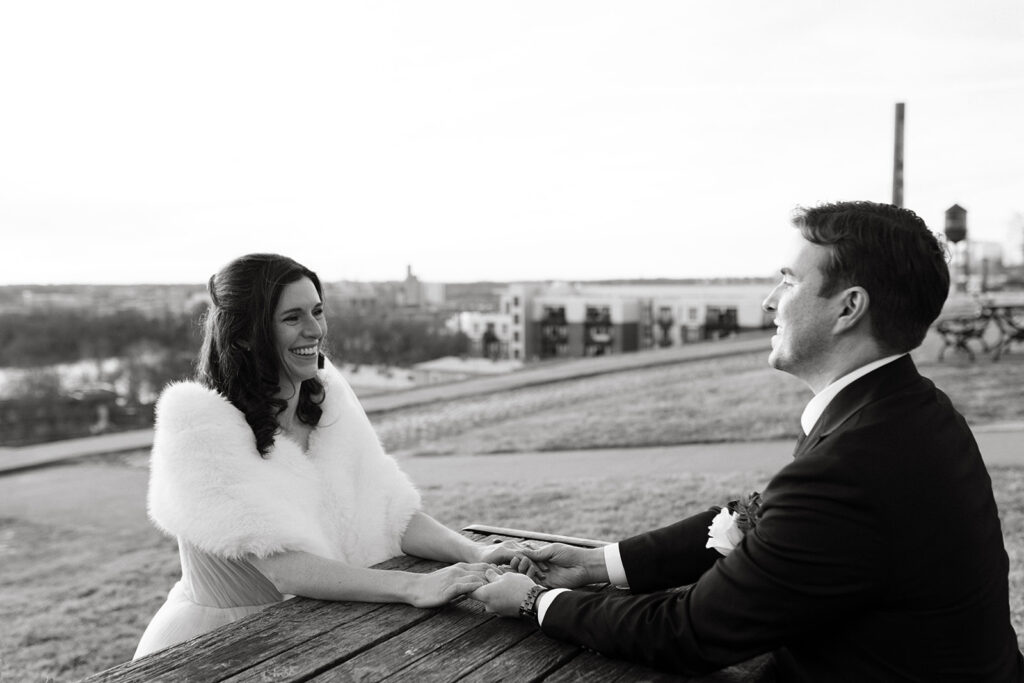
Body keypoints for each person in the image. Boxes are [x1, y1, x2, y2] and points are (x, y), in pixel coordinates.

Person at [472, 201, 1024, 681]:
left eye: (788, 281)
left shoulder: (855, 462)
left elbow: (690, 634)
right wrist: (595, 565)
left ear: (848, 308)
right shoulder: (906, 409)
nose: (768, 301)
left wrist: (535, 601)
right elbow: (762, 521)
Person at [134, 253, 518, 659]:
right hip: (223, 642)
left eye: (317, 312)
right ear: (245, 334)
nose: (314, 330)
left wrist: (475, 551)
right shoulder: (198, 427)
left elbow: (388, 511)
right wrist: (415, 586)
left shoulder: (327, 402)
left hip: (318, 627)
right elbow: (283, 566)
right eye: (292, 318)